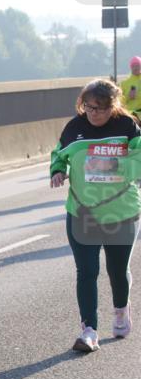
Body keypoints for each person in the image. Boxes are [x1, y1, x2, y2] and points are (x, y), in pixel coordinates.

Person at [50, 78, 141, 352]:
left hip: (121, 212)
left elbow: (139, 161)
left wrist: (109, 163)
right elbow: (59, 153)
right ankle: (89, 331)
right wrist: (57, 170)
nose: (93, 113)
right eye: (88, 107)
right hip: (82, 212)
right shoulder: (74, 127)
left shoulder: (126, 126)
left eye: (100, 108)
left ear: (112, 106)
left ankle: (121, 311)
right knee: (87, 271)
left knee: (116, 271)